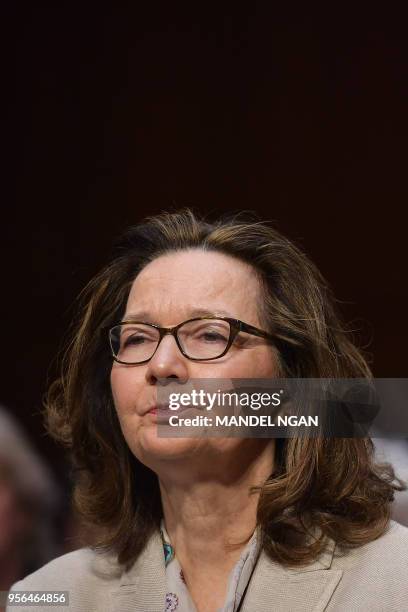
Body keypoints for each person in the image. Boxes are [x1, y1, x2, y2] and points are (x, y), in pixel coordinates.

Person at [7, 209, 408, 612]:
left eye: (209, 335)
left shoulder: (396, 580)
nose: (162, 366)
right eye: (137, 338)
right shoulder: (45, 599)